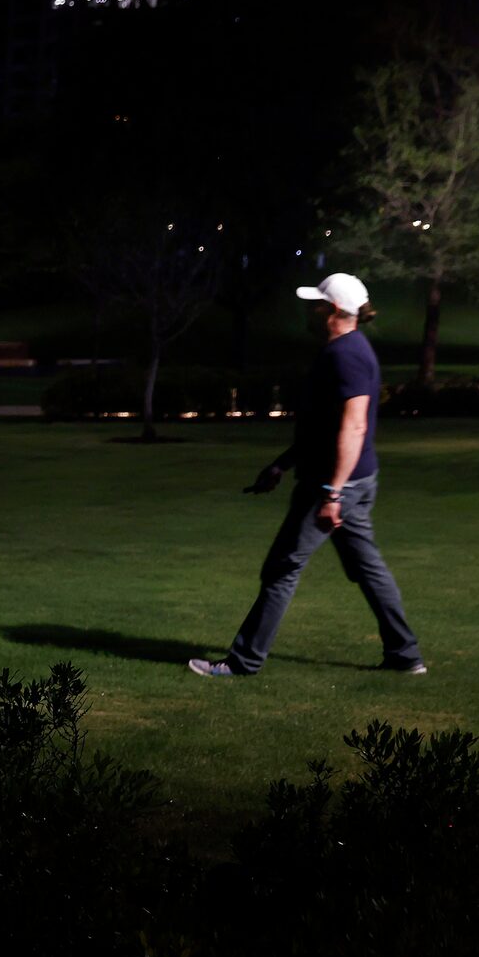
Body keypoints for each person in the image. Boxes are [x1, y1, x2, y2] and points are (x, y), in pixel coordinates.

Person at [189, 273, 426, 678]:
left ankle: (243, 662)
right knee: (368, 570)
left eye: (314, 304)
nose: (308, 310)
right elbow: (323, 427)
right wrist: (282, 464)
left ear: (331, 310)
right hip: (354, 480)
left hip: (335, 485)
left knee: (282, 568)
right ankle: (405, 656)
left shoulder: (345, 355)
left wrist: (333, 493)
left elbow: (353, 427)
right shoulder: (350, 349)